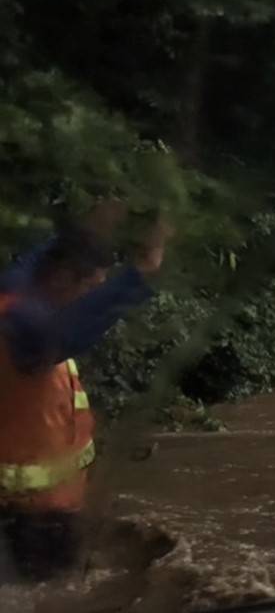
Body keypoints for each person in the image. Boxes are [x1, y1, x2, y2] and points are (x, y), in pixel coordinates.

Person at [0, 210, 168, 583]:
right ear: (61, 278)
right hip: (26, 517)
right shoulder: (27, 334)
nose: (87, 297)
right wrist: (138, 277)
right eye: (88, 286)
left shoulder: (13, 292)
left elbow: (34, 262)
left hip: (40, 511)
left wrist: (82, 233)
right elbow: (83, 322)